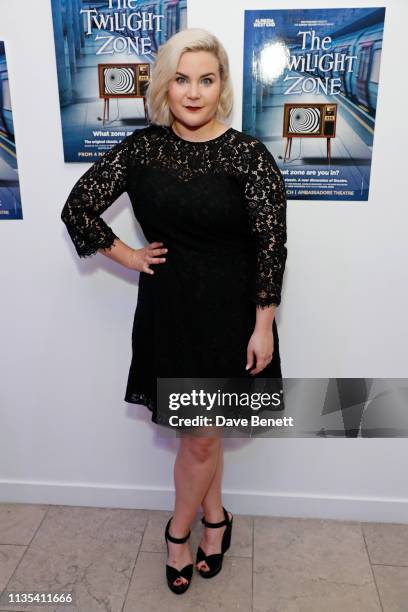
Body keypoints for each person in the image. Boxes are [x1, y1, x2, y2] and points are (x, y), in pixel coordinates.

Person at [61, 28, 287, 594]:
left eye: (206, 80)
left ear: (222, 86)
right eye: (182, 79)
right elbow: (78, 209)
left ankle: (178, 533)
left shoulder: (249, 157)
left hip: (230, 316)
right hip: (169, 312)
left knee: (201, 436)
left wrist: (264, 326)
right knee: (199, 434)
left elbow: (271, 247)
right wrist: (128, 255)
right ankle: (215, 520)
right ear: (166, 85)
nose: (193, 92)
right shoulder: (140, 150)